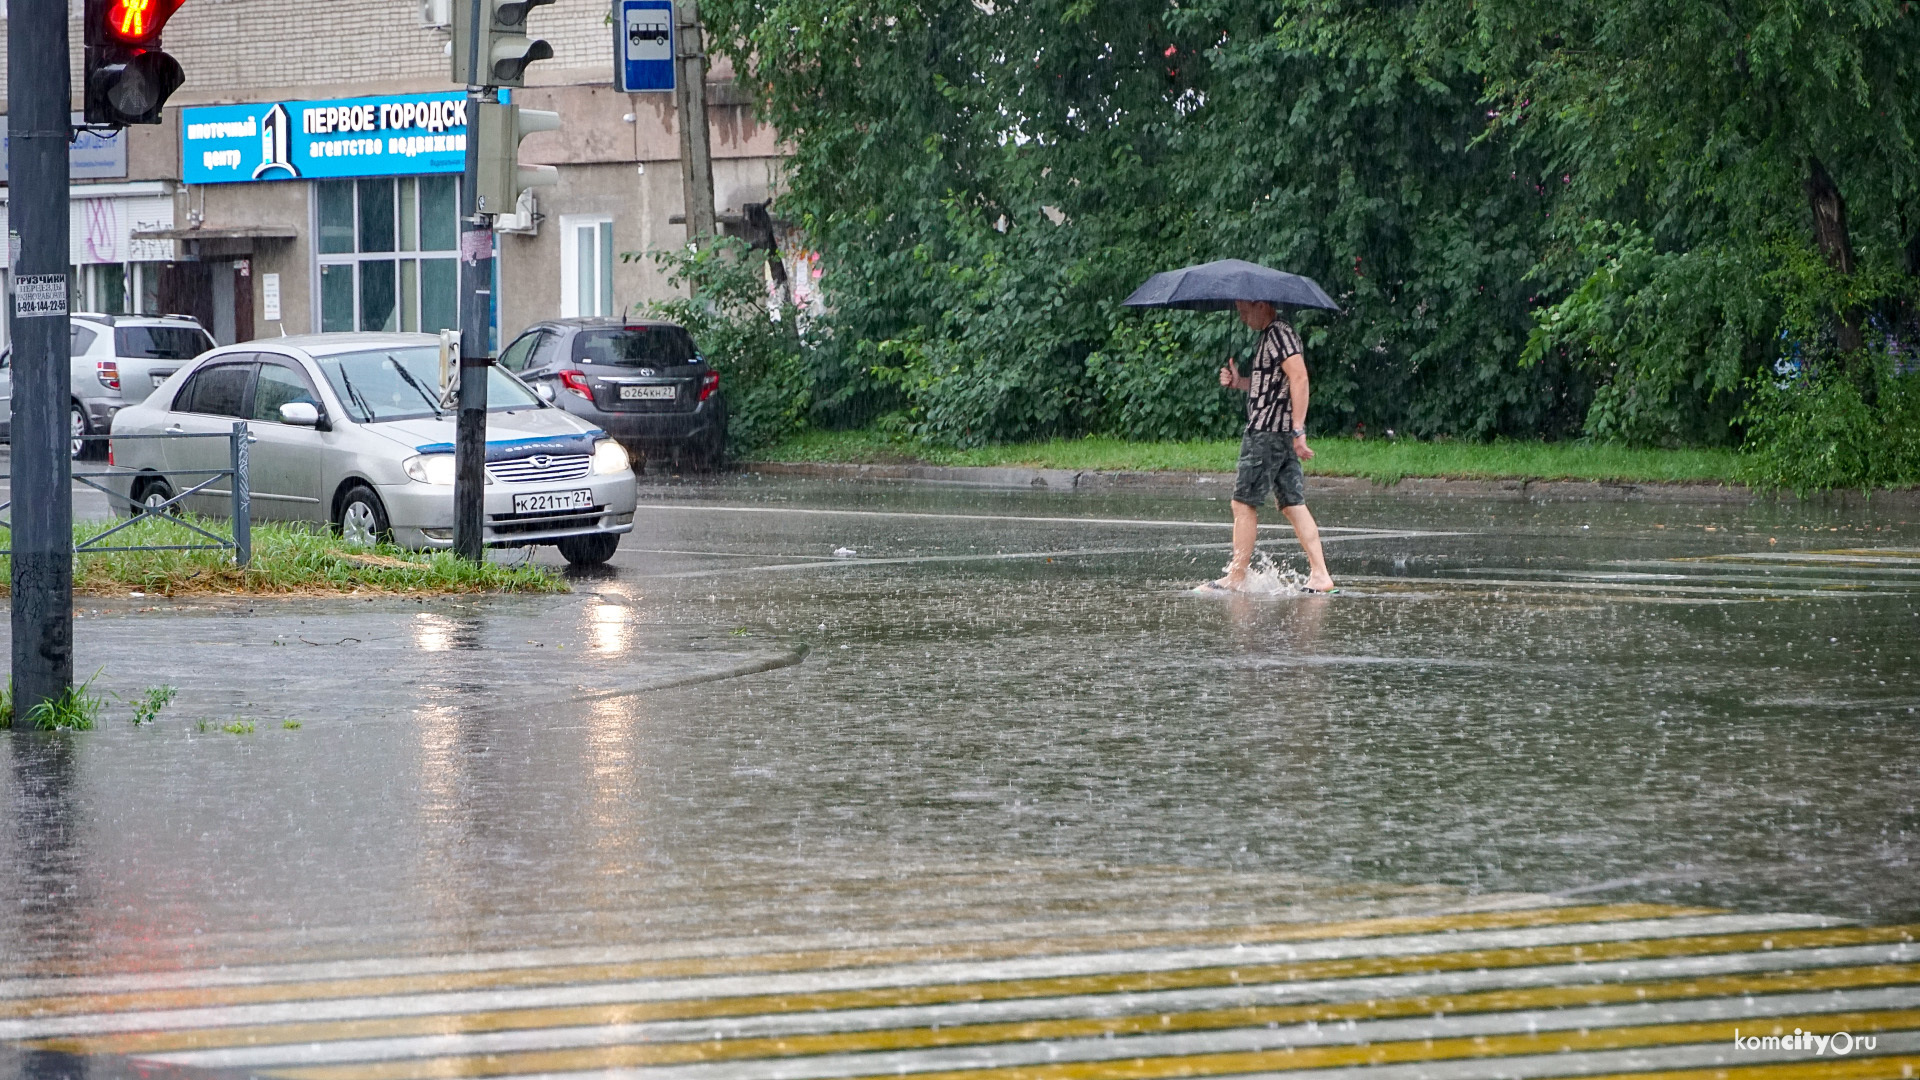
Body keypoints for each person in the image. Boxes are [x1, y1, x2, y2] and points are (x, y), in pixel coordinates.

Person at [1206, 300, 1335, 593]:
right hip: (1280, 435)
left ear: (1261, 305)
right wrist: (1238, 382)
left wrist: (1299, 428)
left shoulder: (1279, 334)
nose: (1241, 316)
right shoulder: (1272, 335)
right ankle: (1320, 575)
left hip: (1267, 433)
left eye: (1243, 309)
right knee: (1293, 503)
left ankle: (1236, 576)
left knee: (1242, 502)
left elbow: (1299, 377)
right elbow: (1269, 385)